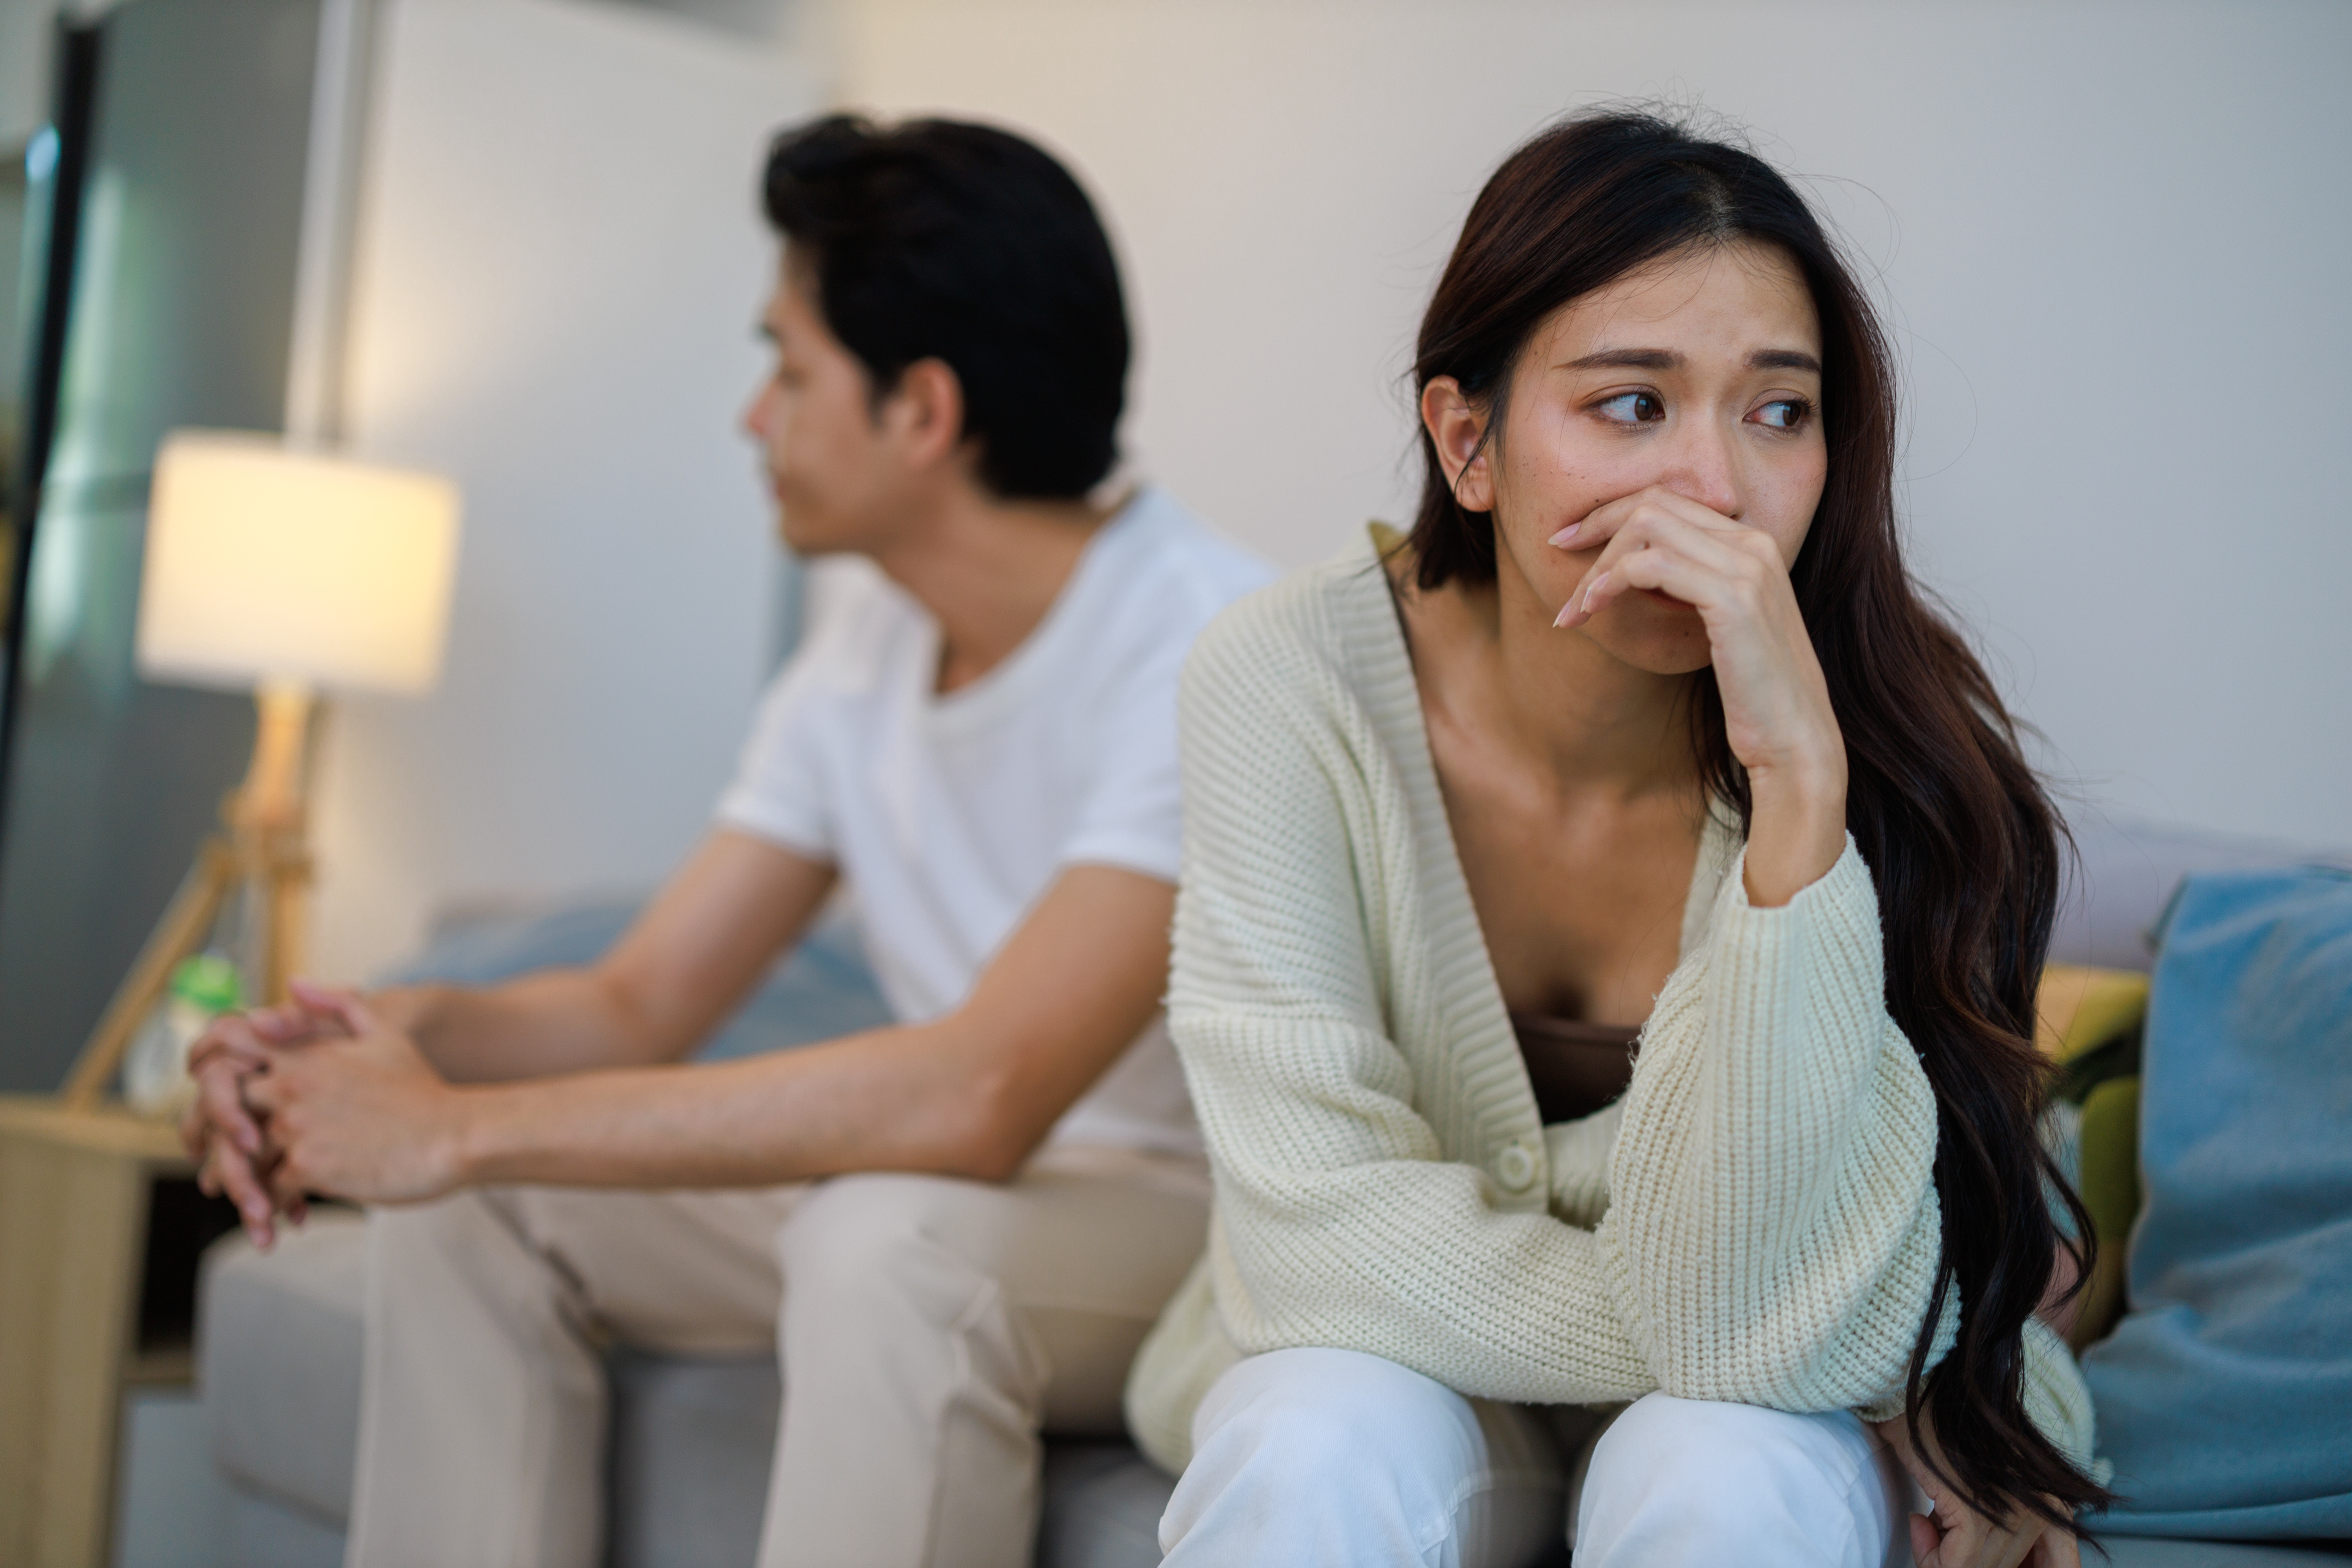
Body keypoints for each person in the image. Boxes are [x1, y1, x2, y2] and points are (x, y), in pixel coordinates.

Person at [181, 114, 1271, 1568]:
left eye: (789, 369)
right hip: (961, 1181)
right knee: (475, 1205)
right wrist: (392, 1033)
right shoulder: (865, 653)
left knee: (882, 1243)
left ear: (923, 411)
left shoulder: (1209, 645)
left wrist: (453, 1121)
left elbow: (983, 1090)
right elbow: (636, 1000)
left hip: (1186, 1219)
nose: (755, 418)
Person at [1122, 111, 2110, 1568]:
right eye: (1633, 404)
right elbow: (1312, 1230)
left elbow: (1987, 1232)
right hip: (1481, 1364)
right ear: (1468, 441)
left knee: (1718, 1466)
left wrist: (1797, 788)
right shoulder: (1289, 683)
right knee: (1310, 1437)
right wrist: (1796, 1331)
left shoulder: (1894, 740)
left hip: (1789, 1416)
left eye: (1779, 412)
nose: (1713, 487)